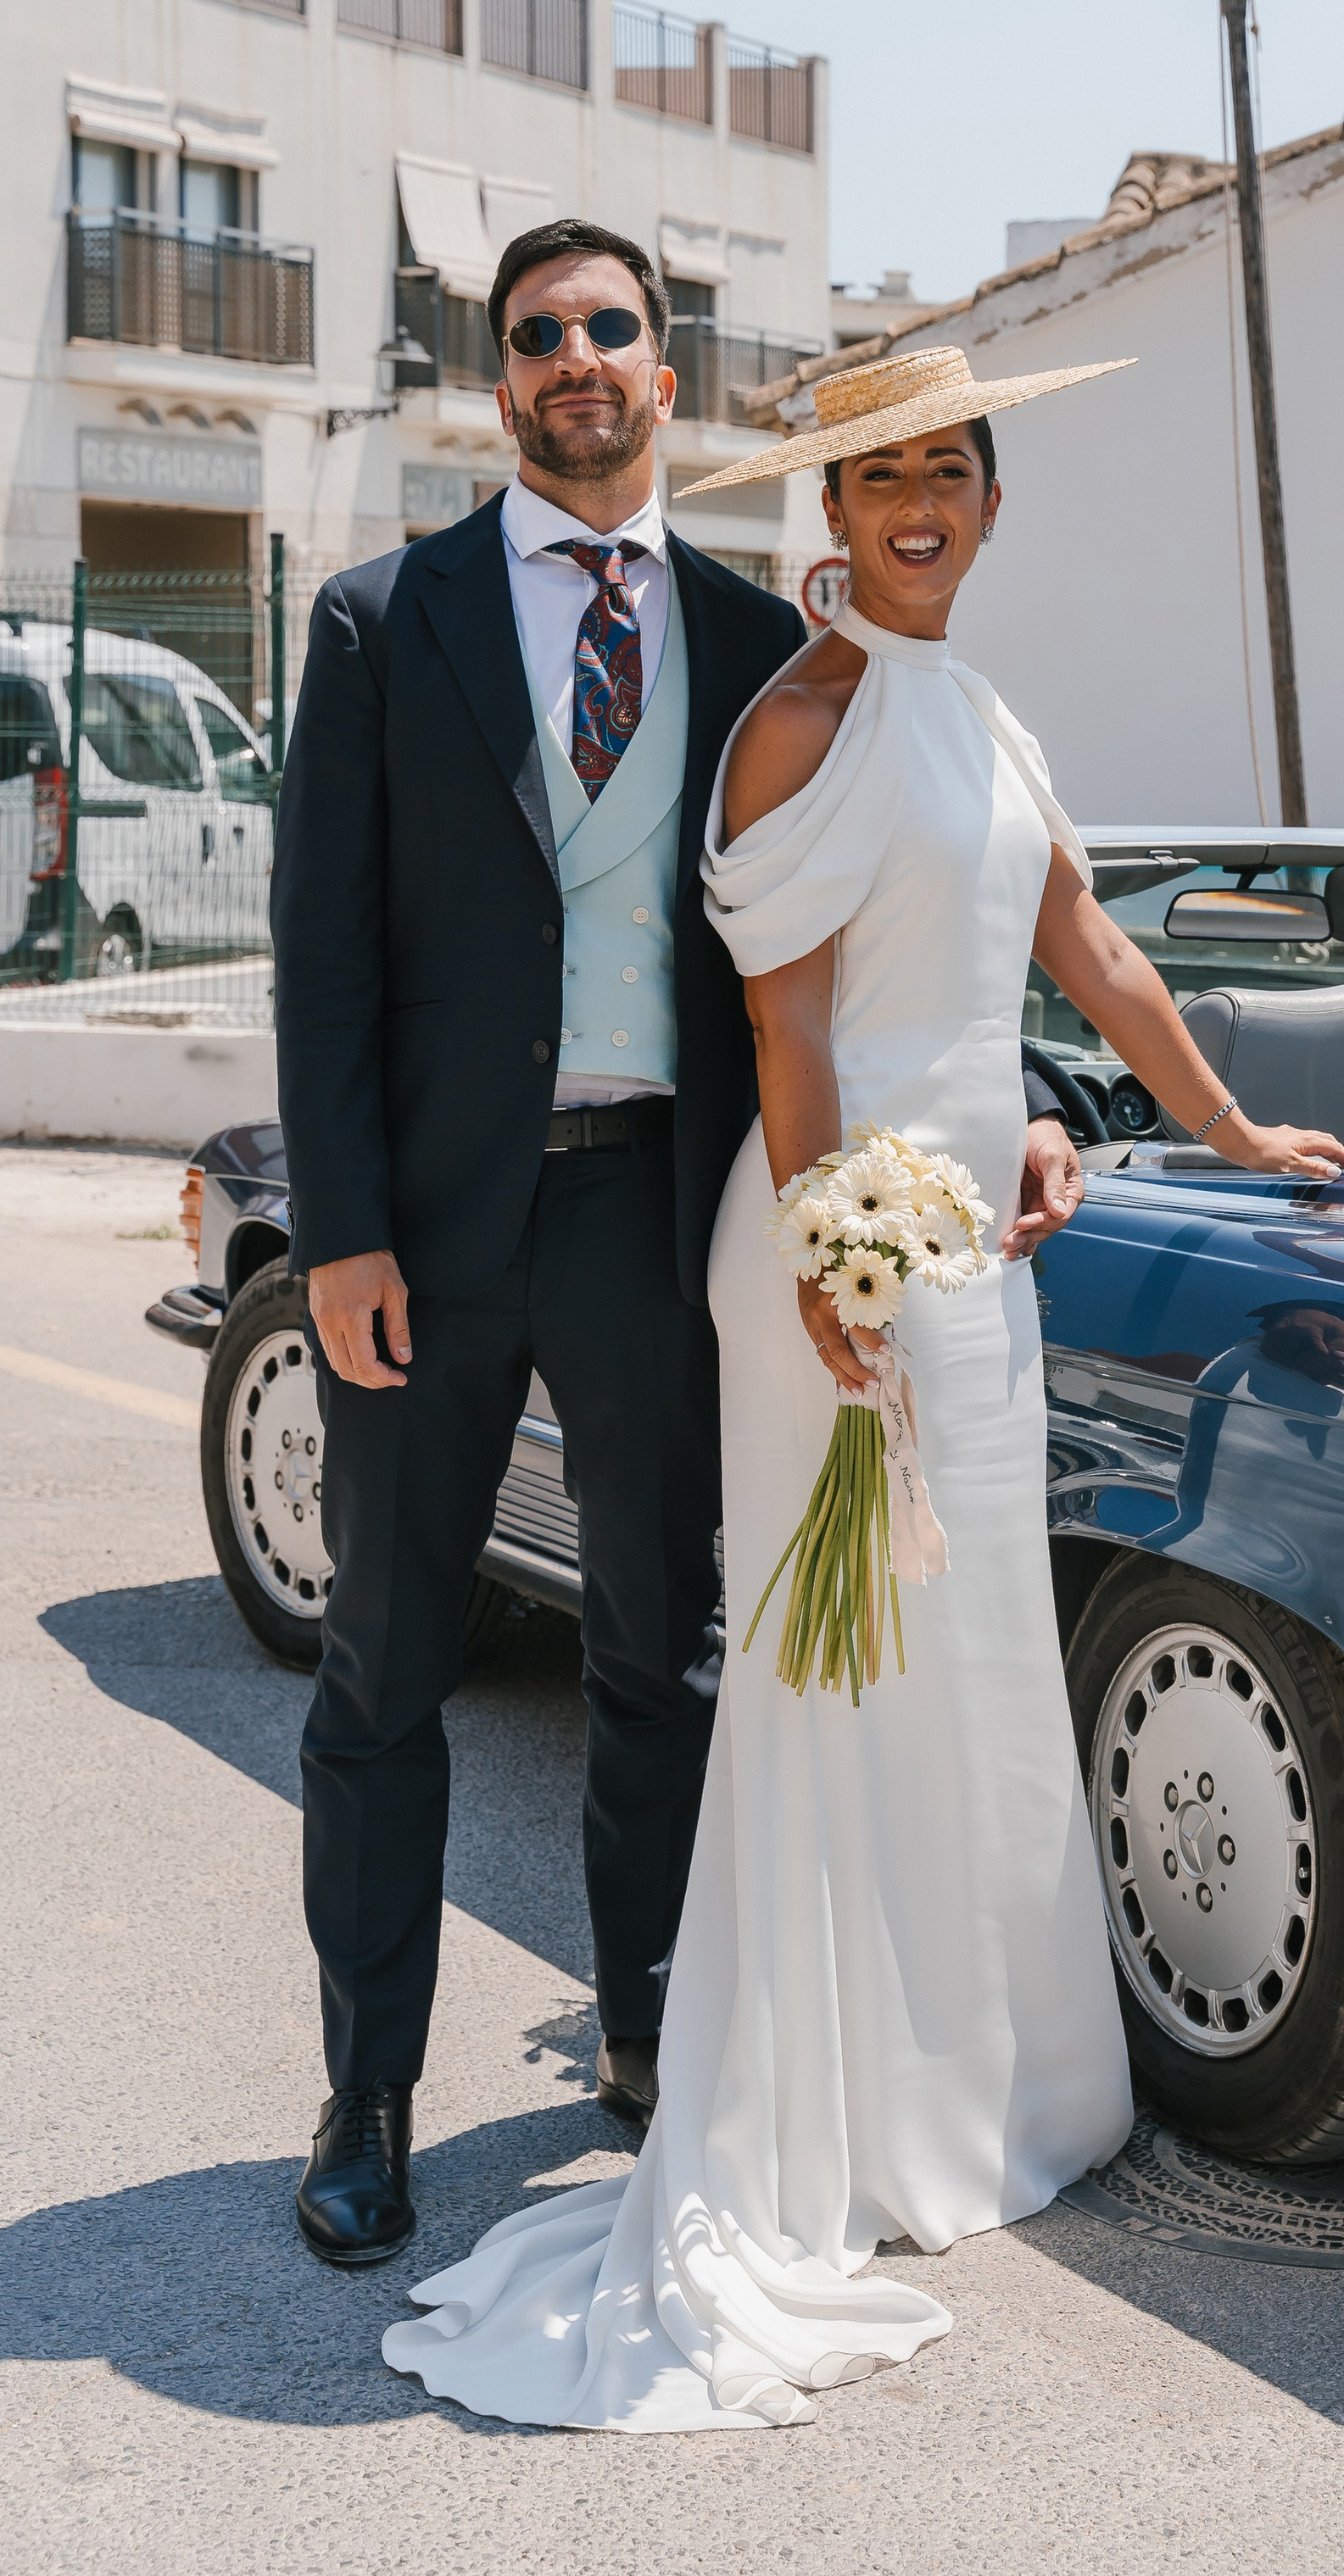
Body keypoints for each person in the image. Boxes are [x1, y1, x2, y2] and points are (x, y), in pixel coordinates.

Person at [380, 341, 1344, 2428]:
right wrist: (833, 1255)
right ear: (829, 513)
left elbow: (1088, 945)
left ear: (993, 504)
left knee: (968, 1660)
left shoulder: (979, 711)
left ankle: (980, 2091)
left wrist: (1226, 1126)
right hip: (839, 1255)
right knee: (842, 1672)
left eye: (949, 474)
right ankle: (833, 2105)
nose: (918, 507)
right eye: (880, 477)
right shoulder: (796, 723)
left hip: (972, 1262)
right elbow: (790, 1032)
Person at [272, 228, 1101, 2272]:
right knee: (385, 1668)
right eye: (537, 336)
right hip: (431, 1236)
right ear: (502, 386)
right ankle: (367, 2097)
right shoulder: (382, 619)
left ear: (665, 374)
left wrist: (1024, 1107)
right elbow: (325, 954)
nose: (577, 357)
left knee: (657, 1658)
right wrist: (342, 1232)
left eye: (610, 330)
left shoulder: (752, 641)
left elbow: (912, 903)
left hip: (662, 1211)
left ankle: (651, 2038)